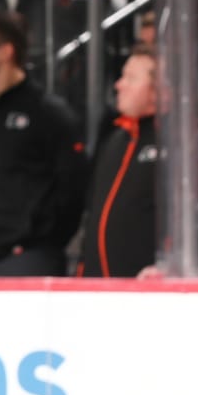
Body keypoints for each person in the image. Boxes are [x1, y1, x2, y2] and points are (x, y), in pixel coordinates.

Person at [0, 12, 87, 276]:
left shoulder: (49, 115)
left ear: (5, 51)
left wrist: (40, 239)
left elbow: (72, 191)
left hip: (28, 260)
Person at [76, 45, 160, 278]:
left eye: (131, 79)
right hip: (98, 288)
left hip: (146, 292)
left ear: (158, 90)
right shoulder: (114, 139)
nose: (119, 85)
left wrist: (166, 269)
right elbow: (94, 213)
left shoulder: (177, 145)